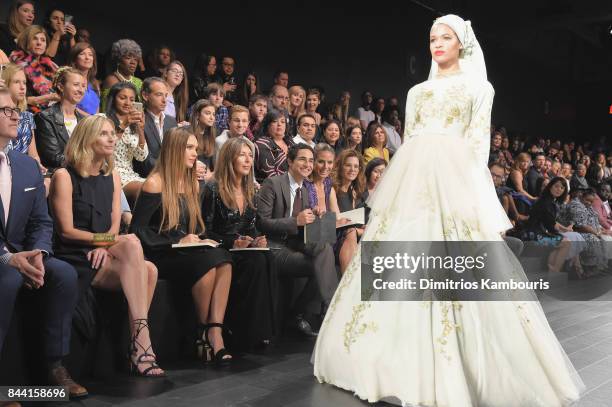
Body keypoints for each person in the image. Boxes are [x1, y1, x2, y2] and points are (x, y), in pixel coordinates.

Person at [313, 15, 584, 406]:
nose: (437, 43)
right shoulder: (418, 91)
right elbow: (412, 138)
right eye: (432, 37)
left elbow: (478, 146)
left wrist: (473, 196)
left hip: (454, 184)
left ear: (462, 43)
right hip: (412, 183)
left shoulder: (480, 87)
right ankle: (376, 359)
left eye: (446, 37)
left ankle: (454, 364)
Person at [49, 114, 164, 378]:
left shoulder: (111, 176)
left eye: (113, 132)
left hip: (103, 253)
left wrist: (106, 246)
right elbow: (66, 231)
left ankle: (137, 342)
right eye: (104, 133)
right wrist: (105, 242)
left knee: (150, 270)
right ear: (86, 138)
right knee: (133, 244)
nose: (112, 138)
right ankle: (141, 343)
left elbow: (114, 226)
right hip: (75, 256)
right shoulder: (64, 176)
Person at [0, 87, 87, 399]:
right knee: (8, 276)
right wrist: (7, 258)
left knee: (62, 273)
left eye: (16, 109)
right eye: (6, 110)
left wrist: (39, 252)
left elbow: (41, 221)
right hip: (3, 260)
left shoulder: (25, 166)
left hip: (25, 251)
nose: (17, 115)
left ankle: (54, 366)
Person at [130, 127, 234, 365]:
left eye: (195, 149)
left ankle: (214, 332)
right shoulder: (155, 183)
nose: (194, 154)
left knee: (223, 258)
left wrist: (201, 239)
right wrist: (178, 241)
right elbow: (137, 231)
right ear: (174, 150)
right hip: (161, 253)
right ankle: (200, 332)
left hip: (185, 251)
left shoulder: (192, 184)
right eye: (189, 148)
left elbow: (193, 229)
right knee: (208, 263)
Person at [256, 143, 338, 337]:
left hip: (296, 242)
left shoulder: (306, 188)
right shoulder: (273, 183)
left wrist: (317, 216)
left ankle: (325, 306)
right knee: (322, 265)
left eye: (311, 160)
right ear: (290, 161)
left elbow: (308, 226)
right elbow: (262, 223)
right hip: (274, 245)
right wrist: (296, 221)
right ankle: (321, 309)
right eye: (302, 159)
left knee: (325, 248)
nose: (308, 164)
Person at [202, 137, 276, 349]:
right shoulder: (213, 189)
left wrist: (256, 239)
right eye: (242, 155)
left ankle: (262, 330)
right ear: (229, 158)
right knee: (257, 263)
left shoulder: (251, 189)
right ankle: (242, 331)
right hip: (221, 248)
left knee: (267, 257)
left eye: (250, 155)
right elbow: (204, 231)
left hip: (243, 249)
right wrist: (233, 242)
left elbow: (250, 226)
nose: (248, 160)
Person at [35, 67, 86, 172]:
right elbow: (54, 158)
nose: (81, 90)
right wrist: (88, 164)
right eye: (76, 85)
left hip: (83, 171)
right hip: (59, 174)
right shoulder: (45, 117)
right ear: (61, 87)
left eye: (83, 86)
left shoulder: (84, 120)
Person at [105, 81, 148, 203]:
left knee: (162, 186)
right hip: (110, 173)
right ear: (113, 99)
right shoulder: (102, 120)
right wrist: (124, 124)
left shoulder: (134, 125)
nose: (127, 103)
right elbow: (107, 146)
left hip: (130, 174)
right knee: (144, 188)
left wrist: (141, 130)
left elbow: (141, 157)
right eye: (122, 98)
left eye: (131, 99)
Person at [132, 77, 177, 177]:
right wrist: (170, 169)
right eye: (159, 95)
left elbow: (176, 152)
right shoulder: (137, 120)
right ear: (145, 95)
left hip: (171, 174)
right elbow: (143, 161)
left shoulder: (171, 121)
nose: (164, 100)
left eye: (166, 95)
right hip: (147, 175)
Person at [9, 25, 59, 113]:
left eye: (43, 40)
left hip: (49, 114)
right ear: (26, 41)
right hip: (24, 113)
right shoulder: (16, 65)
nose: (39, 43)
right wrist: (50, 97)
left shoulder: (50, 67)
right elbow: (16, 98)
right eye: (35, 39)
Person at [1, 63, 43, 166]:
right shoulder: (1, 115)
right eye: (16, 82)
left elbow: (34, 155)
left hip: (25, 168)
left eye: (24, 83)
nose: (22, 87)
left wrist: (39, 168)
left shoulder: (27, 116)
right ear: (4, 83)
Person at [101, 39, 142, 113]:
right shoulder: (111, 80)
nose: (133, 62)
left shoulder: (139, 82)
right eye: (128, 58)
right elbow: (106, 108)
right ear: (118, 61)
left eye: (135, 59)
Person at [254, 109, 295, 183]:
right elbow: (270, 175)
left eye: (283, 122)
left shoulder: (291, 143)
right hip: (271, 189)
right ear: (267, 125)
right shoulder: (262, 144)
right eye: (275, 121)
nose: (279, 124)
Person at [190, 99, 217, 182]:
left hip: (206, 178)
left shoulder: (211, 135)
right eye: (207, 113)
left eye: (213, 114)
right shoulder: (188, 134)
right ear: (197, 115)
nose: (212, 117)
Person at [70, 42, 100, 115]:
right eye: (82, 54)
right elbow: (68, 106)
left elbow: (97, 111)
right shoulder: (70, 80)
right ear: (74, 59)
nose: (87, 58)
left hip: (93, 124)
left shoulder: (95, 83)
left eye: (90, 55)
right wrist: (91, 119)